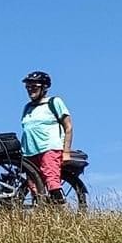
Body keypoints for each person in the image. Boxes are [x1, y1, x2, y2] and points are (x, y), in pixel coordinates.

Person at [19, 70, 73, 204]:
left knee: (51, 180)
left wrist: (66, 152)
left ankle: (60, 208)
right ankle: (43, 213)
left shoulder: (54, 102)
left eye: (34, 87)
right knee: (33, 186)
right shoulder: (27, 107)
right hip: (29, 152)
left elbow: (68, 126)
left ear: (44, 87)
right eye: (28, 87)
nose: (30, 90)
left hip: (49, 148)